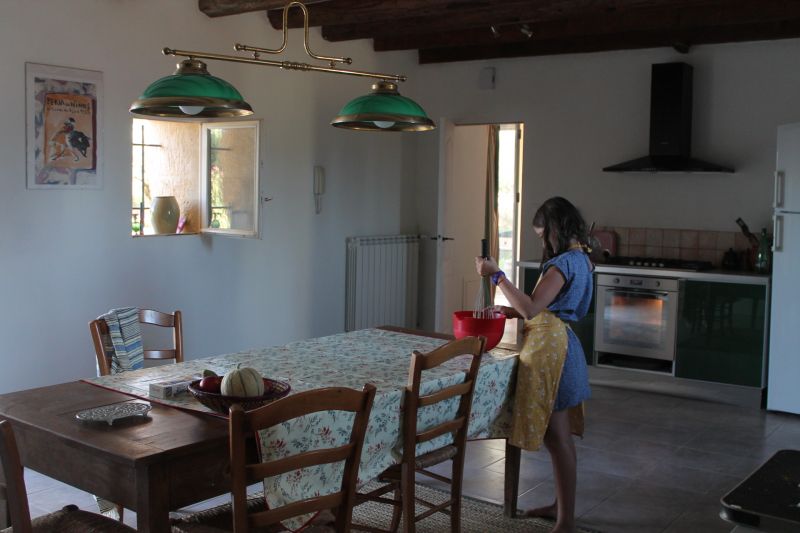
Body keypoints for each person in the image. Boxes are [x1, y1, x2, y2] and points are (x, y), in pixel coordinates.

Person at [475, 196, 593, 533]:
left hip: (553, 354)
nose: (543, 242)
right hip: (563, 346)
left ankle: (565, 521)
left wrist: (496, 275)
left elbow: (531, 309)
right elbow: (544, 309)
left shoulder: (561, 265)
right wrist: (512, 310)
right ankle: (560, 508)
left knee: (558, 438)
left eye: (543, 235)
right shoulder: (582, 259)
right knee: (559, 438)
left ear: (556, 229)